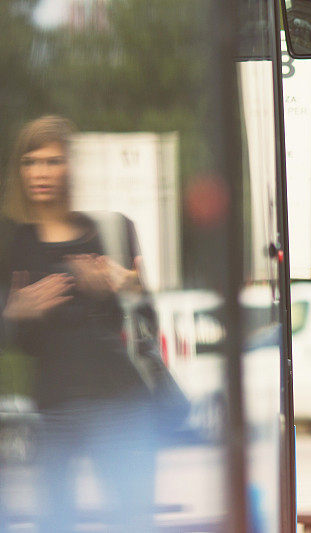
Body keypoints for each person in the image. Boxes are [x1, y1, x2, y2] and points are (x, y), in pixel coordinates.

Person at [1, 115, 156, 532]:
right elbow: (12, 342)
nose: (41, 173)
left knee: (133, 520)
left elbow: (148, 327)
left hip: (120, 404)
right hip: (54, 408)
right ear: (19, 169)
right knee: (55, 521)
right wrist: (15, 312)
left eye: (53, 161)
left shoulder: (109, 230)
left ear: (70, 167)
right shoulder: (12, 243)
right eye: (31, 162)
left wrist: (128, 290)